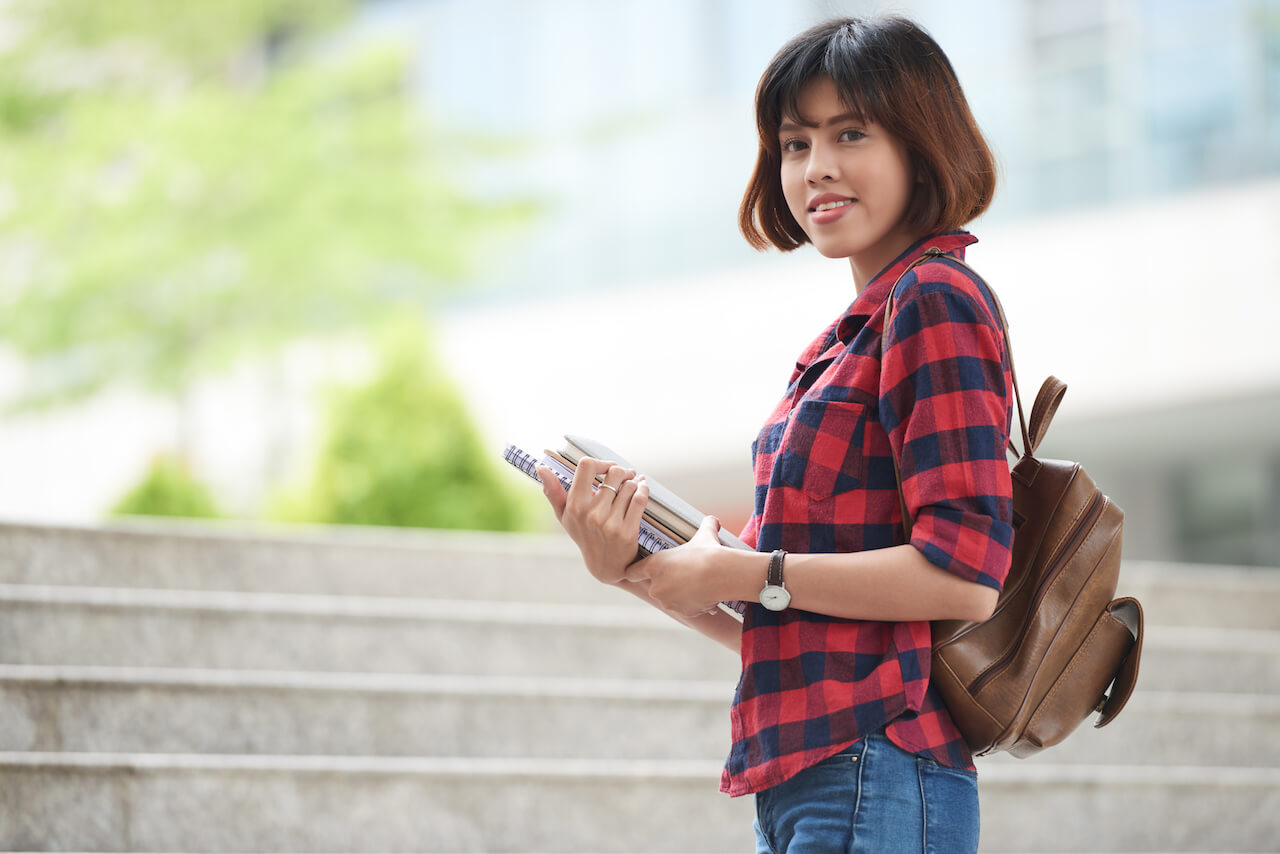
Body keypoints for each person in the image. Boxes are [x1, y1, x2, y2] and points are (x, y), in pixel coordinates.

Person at [537, 16, 1012, 854]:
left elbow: (965, 573)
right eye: (795, 144)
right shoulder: (843, 342)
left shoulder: (935, 300)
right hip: (811, 772)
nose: (815, 167)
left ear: (922, 142)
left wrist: (747, 569)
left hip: (882, 768)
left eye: (850, 133)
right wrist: (637, 571)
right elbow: (782, 619)